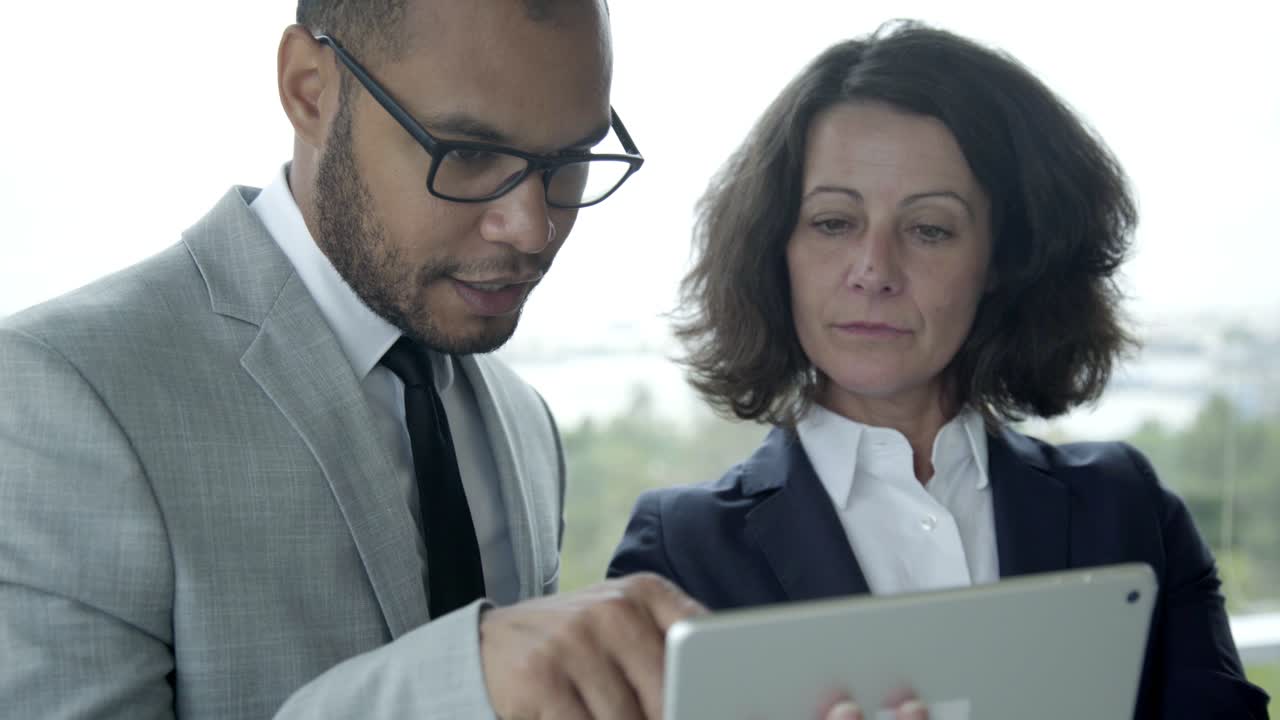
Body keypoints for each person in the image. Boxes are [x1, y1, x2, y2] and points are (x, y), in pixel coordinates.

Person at [0, 1, 707, 718]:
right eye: (465, 152)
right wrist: (459, 682)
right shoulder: (60, 396)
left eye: (569, 160)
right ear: (310, 88)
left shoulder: (525, 424)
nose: (530, 227)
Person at [608, 21, 1270, 719]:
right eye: (833, 222)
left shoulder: (1129, 512)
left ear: (1004, 262)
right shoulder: (681, 551)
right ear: (780, 250)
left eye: (930, 229)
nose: (874, 271)